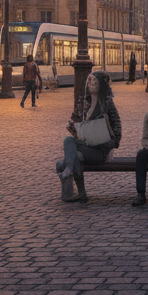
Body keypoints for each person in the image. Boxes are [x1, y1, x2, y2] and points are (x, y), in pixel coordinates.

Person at [58, 71, 122, 203]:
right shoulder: (83, 102)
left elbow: (117, 129)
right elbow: (77, 123)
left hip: (99, 149)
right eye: (89, 81)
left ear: (101, 85)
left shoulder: (107, 102)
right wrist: (73, 127)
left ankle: (78, 190)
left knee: (62, 162)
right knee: (69, 141)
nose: (91, 83)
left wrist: (109, 144)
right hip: (85, 145)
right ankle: (74, 179)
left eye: (94, 81)